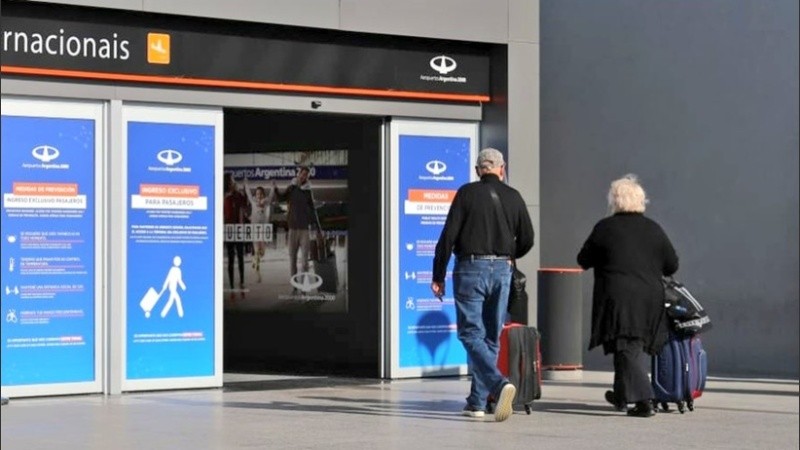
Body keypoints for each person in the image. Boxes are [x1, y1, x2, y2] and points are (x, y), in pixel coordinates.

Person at [431, 147, 534, 422]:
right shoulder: (514, 197)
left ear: (478, 170)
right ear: (502, 168)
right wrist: (509, 256)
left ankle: (498, 386)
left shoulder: (466, 193)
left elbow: (448, 235)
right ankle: (477, 401)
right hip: (502, 270)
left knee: (469, 334)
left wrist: (437, 274)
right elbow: (528, 238)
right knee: (490, 336)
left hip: (470, 268)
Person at [577, 174, 679, 418]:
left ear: (615, 200)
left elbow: (583, 260)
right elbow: (671, 265)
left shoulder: (605, 228)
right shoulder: (654, 229)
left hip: (618, 297)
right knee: (628, 346)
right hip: (649, 298)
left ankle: (645, 400)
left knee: (626, 346)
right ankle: (622, 396)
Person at [273, 165, 323, 291]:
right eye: (302, 173)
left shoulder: (308, 191)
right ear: (298, 174)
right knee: (292, 260)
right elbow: (281, 198)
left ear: (307, 177)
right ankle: (295, 286)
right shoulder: (292, 188)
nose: (303, 176)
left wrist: (318, 228)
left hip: (304, 230)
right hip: (292, 230)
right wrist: (275, 189)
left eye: (306, 174)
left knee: (305, 262)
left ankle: (303, 286)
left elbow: (313, 210)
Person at [243, 179, 273, 283]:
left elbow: (271, 195)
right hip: (255, 230)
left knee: (262, 253)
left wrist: (272, 186)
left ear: (263, 194)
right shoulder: (253, 201)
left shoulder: (266, 202)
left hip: (263, 231)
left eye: (260, 194)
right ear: (255, 195)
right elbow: (248, 193)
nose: (258, 195)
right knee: (256, 252)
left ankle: (254, 261)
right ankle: (258, 275)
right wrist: (246, 184)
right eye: (257, 193)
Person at [224, 173, 248, 300]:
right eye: (232, 180)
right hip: (229, 230)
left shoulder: (239, 196)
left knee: (240, 258)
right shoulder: (225, 198)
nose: (234, 182)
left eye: (234, 181)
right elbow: (226, 216)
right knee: (231, 260)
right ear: (228, 183)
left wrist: (244, 190)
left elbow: (245, 206)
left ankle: (242, 283)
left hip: (239, 230)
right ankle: (232, 287)